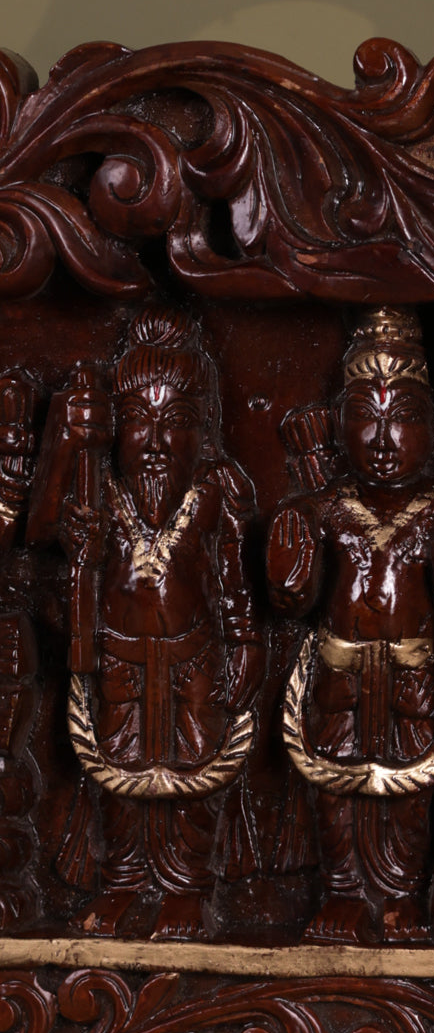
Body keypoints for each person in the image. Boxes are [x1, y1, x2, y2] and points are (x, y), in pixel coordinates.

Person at [28, 309, 263, 940]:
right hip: (118, 657)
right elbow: (40, 535)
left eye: (176, 422)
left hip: (195, 657)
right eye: (138, 420)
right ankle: (125, 881)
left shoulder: (214, 492)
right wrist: (68, 449)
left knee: (196, 770)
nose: (155, 442)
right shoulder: (99, 491)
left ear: (204, 429)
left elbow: (234, 579)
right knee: (118, 771)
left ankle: (186, 886)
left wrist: (246, 641)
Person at [267, 308, 434, 943]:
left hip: (412, 674)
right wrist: (292, 551)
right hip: (338, 671)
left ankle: (401, 890)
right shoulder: (327, 509)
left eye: (404, 418)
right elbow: (293, 598)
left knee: (412, 784)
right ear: (337, 425)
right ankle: (343, 890)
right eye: (366, 416)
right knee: (334, 781)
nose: (383, 438)